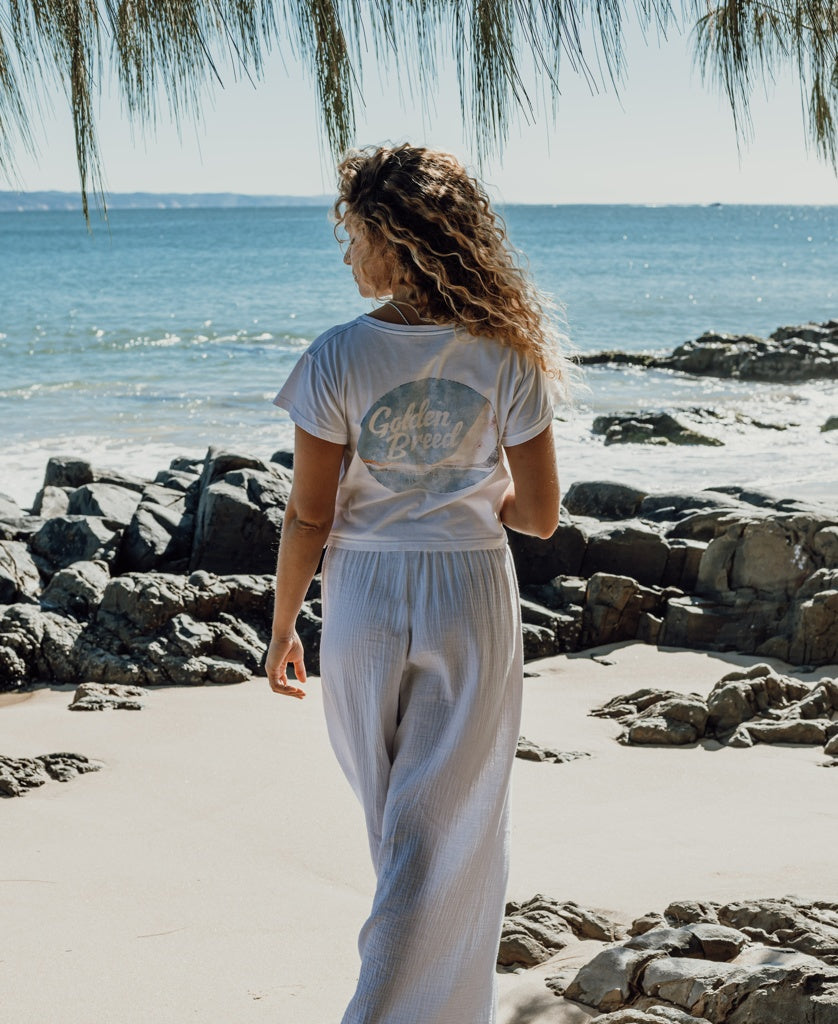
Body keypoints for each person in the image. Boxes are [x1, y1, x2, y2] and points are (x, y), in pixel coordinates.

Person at [267, 143, 564, 1024]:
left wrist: (284, 626)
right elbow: (542, 515)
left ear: (396, 239)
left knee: (402, 836)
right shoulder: (510, 353)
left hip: (361, 598)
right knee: (444, 833)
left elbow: (308, 518)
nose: (349, 255)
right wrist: (468, 494)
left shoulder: (336, 357)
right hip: (470, 595)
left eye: (355, 235)